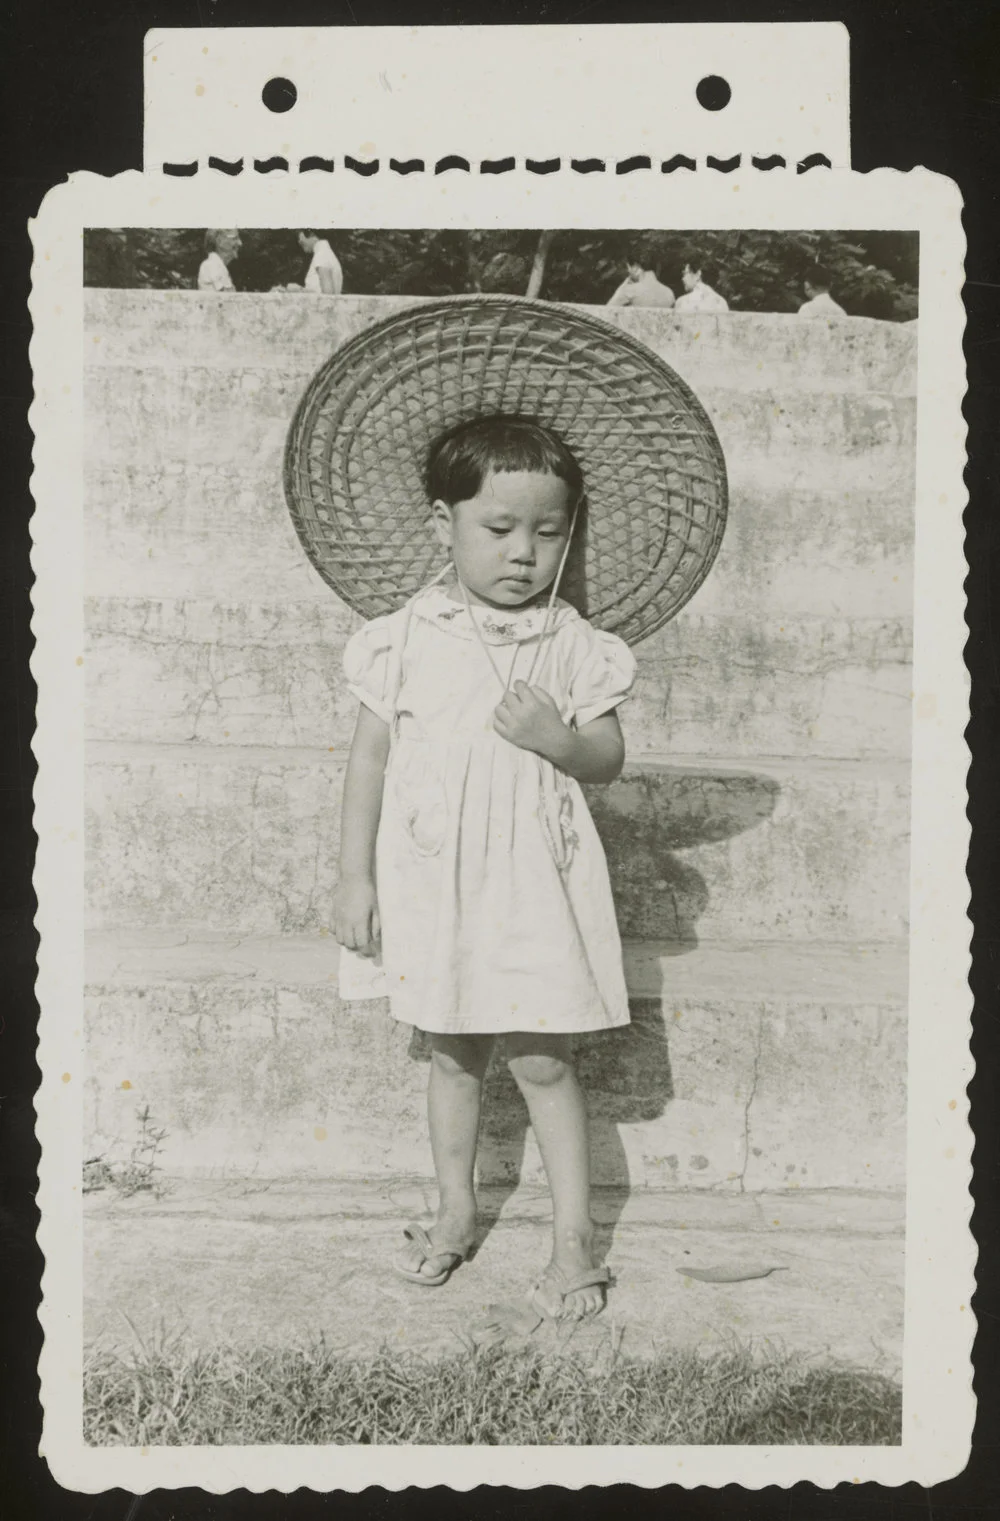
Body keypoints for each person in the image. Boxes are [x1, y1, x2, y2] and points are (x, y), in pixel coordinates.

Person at [333, 416, 636, 1323]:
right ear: (444, 524)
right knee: (453, 1049)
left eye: (548, 533)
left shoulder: (573, 643)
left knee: (544, 1056)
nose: (523, 554)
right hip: (435, 874)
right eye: (498, 530)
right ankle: (457, 1205)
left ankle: (574, 1234)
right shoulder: (404, 637)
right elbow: (368, 763)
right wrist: (355, 875)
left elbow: (609, 756)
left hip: (533, 879)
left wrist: (561, 738)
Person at [607, 257, 675, 310]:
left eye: (626, 268)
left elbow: (607, 311)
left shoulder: (629, 291)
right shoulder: (668, 292)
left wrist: (623, 287)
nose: (626, 272)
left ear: (635, 267)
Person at [298, 230, 343, 295]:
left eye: (300, 239)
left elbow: (328, 294)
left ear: (311, 235)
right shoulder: (325, 253)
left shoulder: (322, 255)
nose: (299, 242)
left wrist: (299, 289)